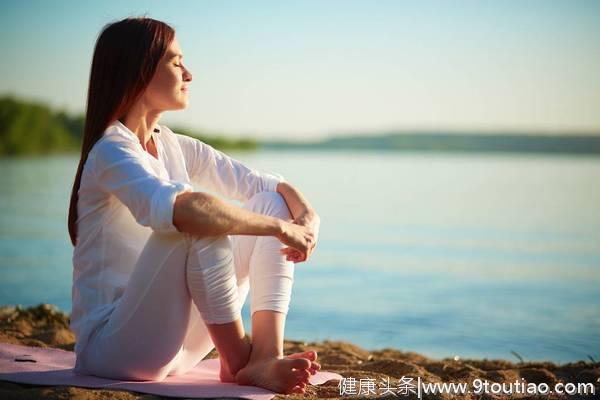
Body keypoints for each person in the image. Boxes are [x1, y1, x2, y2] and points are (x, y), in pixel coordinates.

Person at [66, 17, 321, 395]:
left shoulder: (173, 144)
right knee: (195, 220)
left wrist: (307, 217)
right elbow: (187, 210)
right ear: (138, 71)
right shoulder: (111, 151)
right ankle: (238, 361)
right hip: (113, 348)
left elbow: (268, 186)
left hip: (178, 347)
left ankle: (264, 355)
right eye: (175, 62)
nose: (189, 73)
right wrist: (280, 229)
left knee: (267, 203)